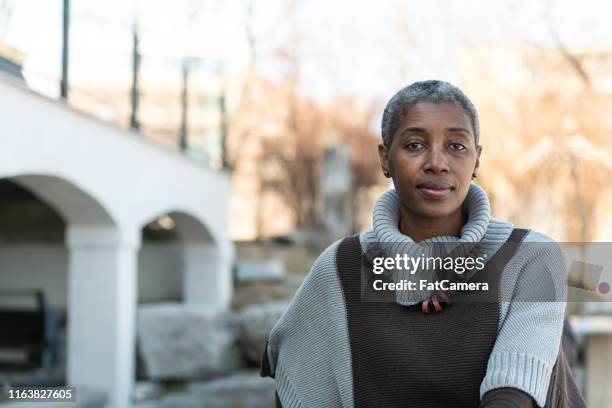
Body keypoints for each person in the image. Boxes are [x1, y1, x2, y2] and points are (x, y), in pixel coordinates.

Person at [260, 80, 585, 407]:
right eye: (415, 145)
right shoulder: (340, 267)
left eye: (457, 146)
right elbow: (297, 384)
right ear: (385, 158)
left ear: (477, 159)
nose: (437, 163)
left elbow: (514, 394)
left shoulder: (532, 257)